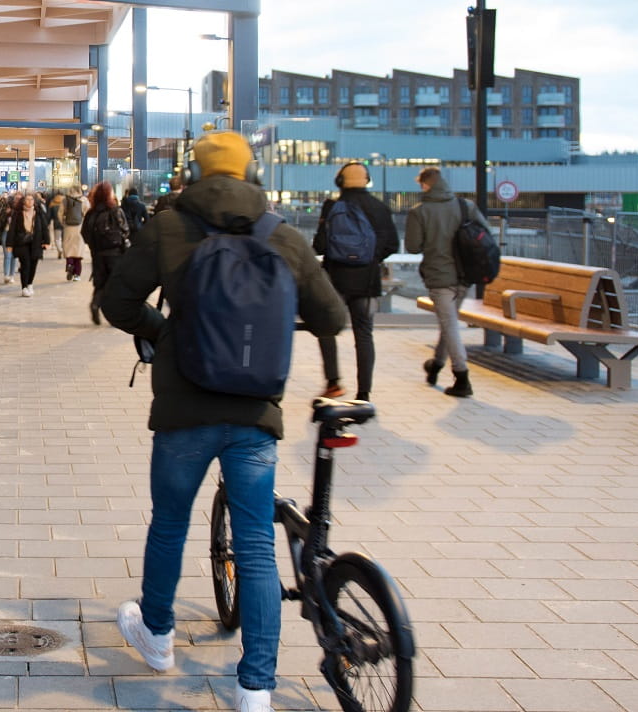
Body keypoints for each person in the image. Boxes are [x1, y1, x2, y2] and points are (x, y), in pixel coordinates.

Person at [99, 132, 348, 712]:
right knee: (257, 545)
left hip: (185, 411)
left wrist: (168, 334)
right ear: (250, 172)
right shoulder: (280, 233)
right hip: (255, 411)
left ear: (196, 172)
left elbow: (117, 304)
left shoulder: (166, 226)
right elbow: (333, 316)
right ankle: (254, 689)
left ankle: (157, 637)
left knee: (170, 522)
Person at [312, 161, 398, 400]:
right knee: (363, 334)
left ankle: (333, 382)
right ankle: (364, 394)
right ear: (367, 180)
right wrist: (370, 257)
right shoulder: (379, 208)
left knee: (326, 328)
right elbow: (392, 244)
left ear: (340, 182)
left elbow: (319, 246)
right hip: (367, 281)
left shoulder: (332, 208)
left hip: (335, 280)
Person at [406, 165, 473, 398]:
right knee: (449, 322)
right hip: (466, 274)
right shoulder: (466, 206)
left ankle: (462, 377)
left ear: (425, 184)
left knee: (450, 325)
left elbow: (412, 247)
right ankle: (435, 365)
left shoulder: (420, 211)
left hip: (440, 276)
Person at [80, 181, 129, 326]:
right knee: (115, 284)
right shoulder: (115, 210)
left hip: (97, 254)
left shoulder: (91, 213)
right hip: (115, 254)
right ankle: (114, 315)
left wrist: (93, 247)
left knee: (100, 283)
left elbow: (85, 233)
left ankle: (95, 304)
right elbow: (125, 230)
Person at [4, 189, 51, 296]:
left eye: (31, 200)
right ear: (24, 201)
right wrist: (9, 244)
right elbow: (12, 229)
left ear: (34, 201)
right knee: (25, 264)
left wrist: (47, 241)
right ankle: (24, 287)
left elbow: (44, 227)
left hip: (36, 242)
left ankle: (30, 284)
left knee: (33, 265)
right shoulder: (18, 213)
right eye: (27, 199)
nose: (30, 201)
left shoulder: (39, 213)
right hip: (22, 242)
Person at [58, 187, 86, 280]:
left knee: (68, 248)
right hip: (80, 228)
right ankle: (77, 274)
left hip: (68, 227)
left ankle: (70, 264)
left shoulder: (65, 200)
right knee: (78, 251)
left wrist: (63, 223)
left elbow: (60, 213)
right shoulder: (83, 200)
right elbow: (87, 212)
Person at [0, 192, 17, 283]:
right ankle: (6, 275)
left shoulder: (18, 212)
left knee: (14, 256)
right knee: (7, 255)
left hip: (15, 235)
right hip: (5, 234)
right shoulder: (4, 212)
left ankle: (12, 275)